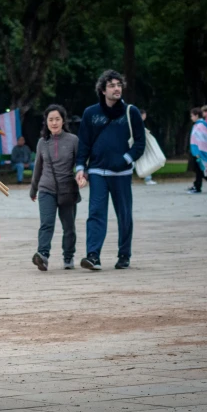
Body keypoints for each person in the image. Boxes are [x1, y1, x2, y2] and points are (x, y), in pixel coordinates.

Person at [75, 70, 145, 271]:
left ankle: (124, 254)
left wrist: (125, 159)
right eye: (112, 85)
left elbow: (140, 142)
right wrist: (81, 168)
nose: (117, 88)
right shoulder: (90, 113)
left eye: (119, 85)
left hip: (122, 174)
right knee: (95, 213)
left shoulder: (131, 112)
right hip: (97, 172)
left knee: (124, 215)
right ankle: (93, 256)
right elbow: (84, 144)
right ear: (103, 90)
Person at [30, 105, 80, 271]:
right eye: (50, 119)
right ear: (46, 122)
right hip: (46, 189)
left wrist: (82, 176)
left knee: (69, 226)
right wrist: (33, 189)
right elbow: (38, 167)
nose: (54, 122)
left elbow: (80, 163)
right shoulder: (42, 143)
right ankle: (42, 255)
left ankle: (68, 256)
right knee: (46, 223)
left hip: (67, 190)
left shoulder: (73, 140)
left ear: (63, 120)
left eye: (57, 119)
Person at [140, 109, 157, 185]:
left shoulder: (138, 123)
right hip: (140, 145)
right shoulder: (139, 123)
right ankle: (148, 179)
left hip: (140, 145)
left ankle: (148, 178)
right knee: (146, 160)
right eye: (144, 115)